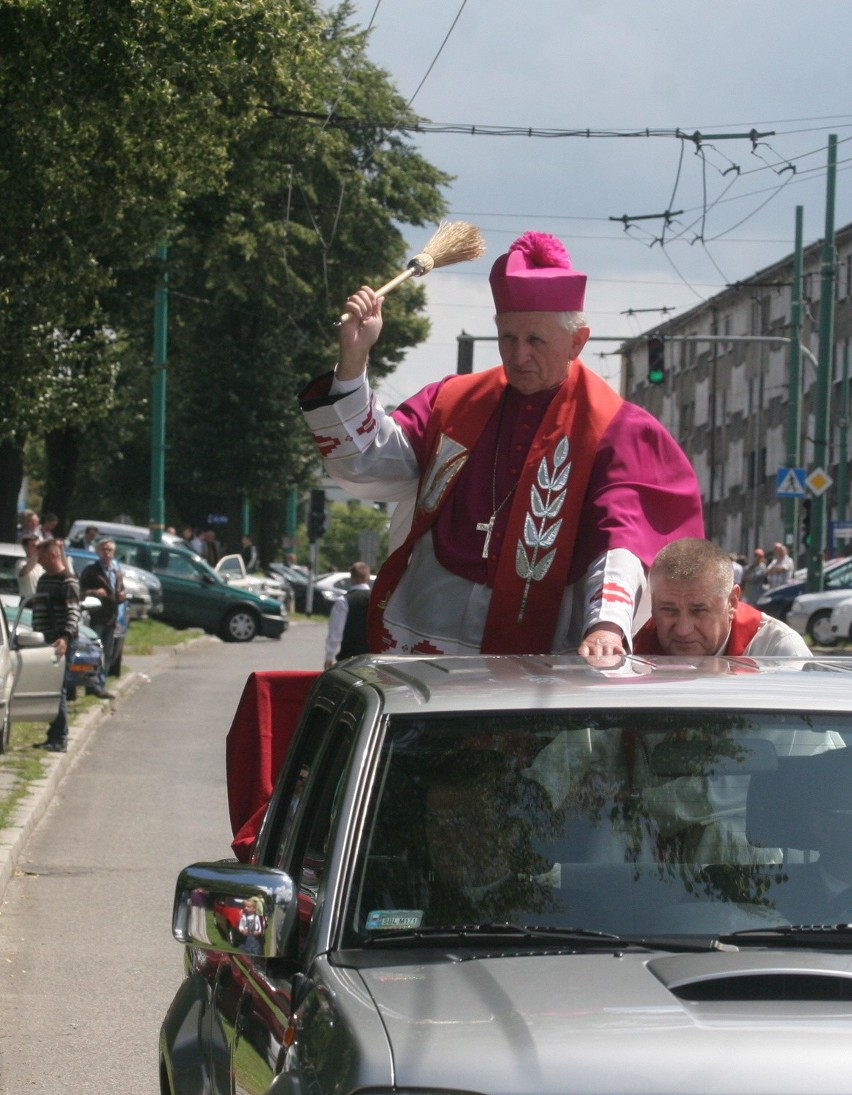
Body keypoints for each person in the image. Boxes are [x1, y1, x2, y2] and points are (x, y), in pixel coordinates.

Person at [300, 231, 704, 657]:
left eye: (535, 341)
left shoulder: (614, 428)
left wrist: (606, 625)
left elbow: (623, 539)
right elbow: (368, 464)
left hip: (545, 653)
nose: (518, 356)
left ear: (577, 341)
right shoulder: (453, 402)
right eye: (508, 338)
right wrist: (354, 359)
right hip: (429, 638)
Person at [633, 538, 811, 657]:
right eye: (668, 610)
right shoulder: (629, 651)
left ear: (732, 603)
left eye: (698, 611)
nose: (683, 630)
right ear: (653, 605)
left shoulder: (777, 651)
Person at [31, 539, 82, 752]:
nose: (39, 562)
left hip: (61, 640)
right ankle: (52, 734)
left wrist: (65, 638)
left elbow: (73, 612)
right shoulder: (44, 579)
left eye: (41, 557)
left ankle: (60, 738)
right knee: (50, 689)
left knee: (58, 689)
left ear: (53, 556)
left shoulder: (67, 581)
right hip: (44, 638)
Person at [79, 538, 126, 700]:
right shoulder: (91, 571)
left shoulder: (116, 572)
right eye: (104, 550)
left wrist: (122, 596)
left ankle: (101, 684)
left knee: (107, 652)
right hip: (96, 616)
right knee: (95, 652)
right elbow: (80, 591)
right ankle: (93, 686)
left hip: (111, 617)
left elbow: (120, 593)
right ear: (99, 551)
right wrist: (94, 592)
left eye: (110, 550)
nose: (107, 553)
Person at [323, 561, 372, 669]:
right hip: (372, 658)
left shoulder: (344, 601)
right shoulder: (376, 600)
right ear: (368, 578)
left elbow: (335, 631)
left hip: (349, 658)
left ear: (352, 579)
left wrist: (329, 656)